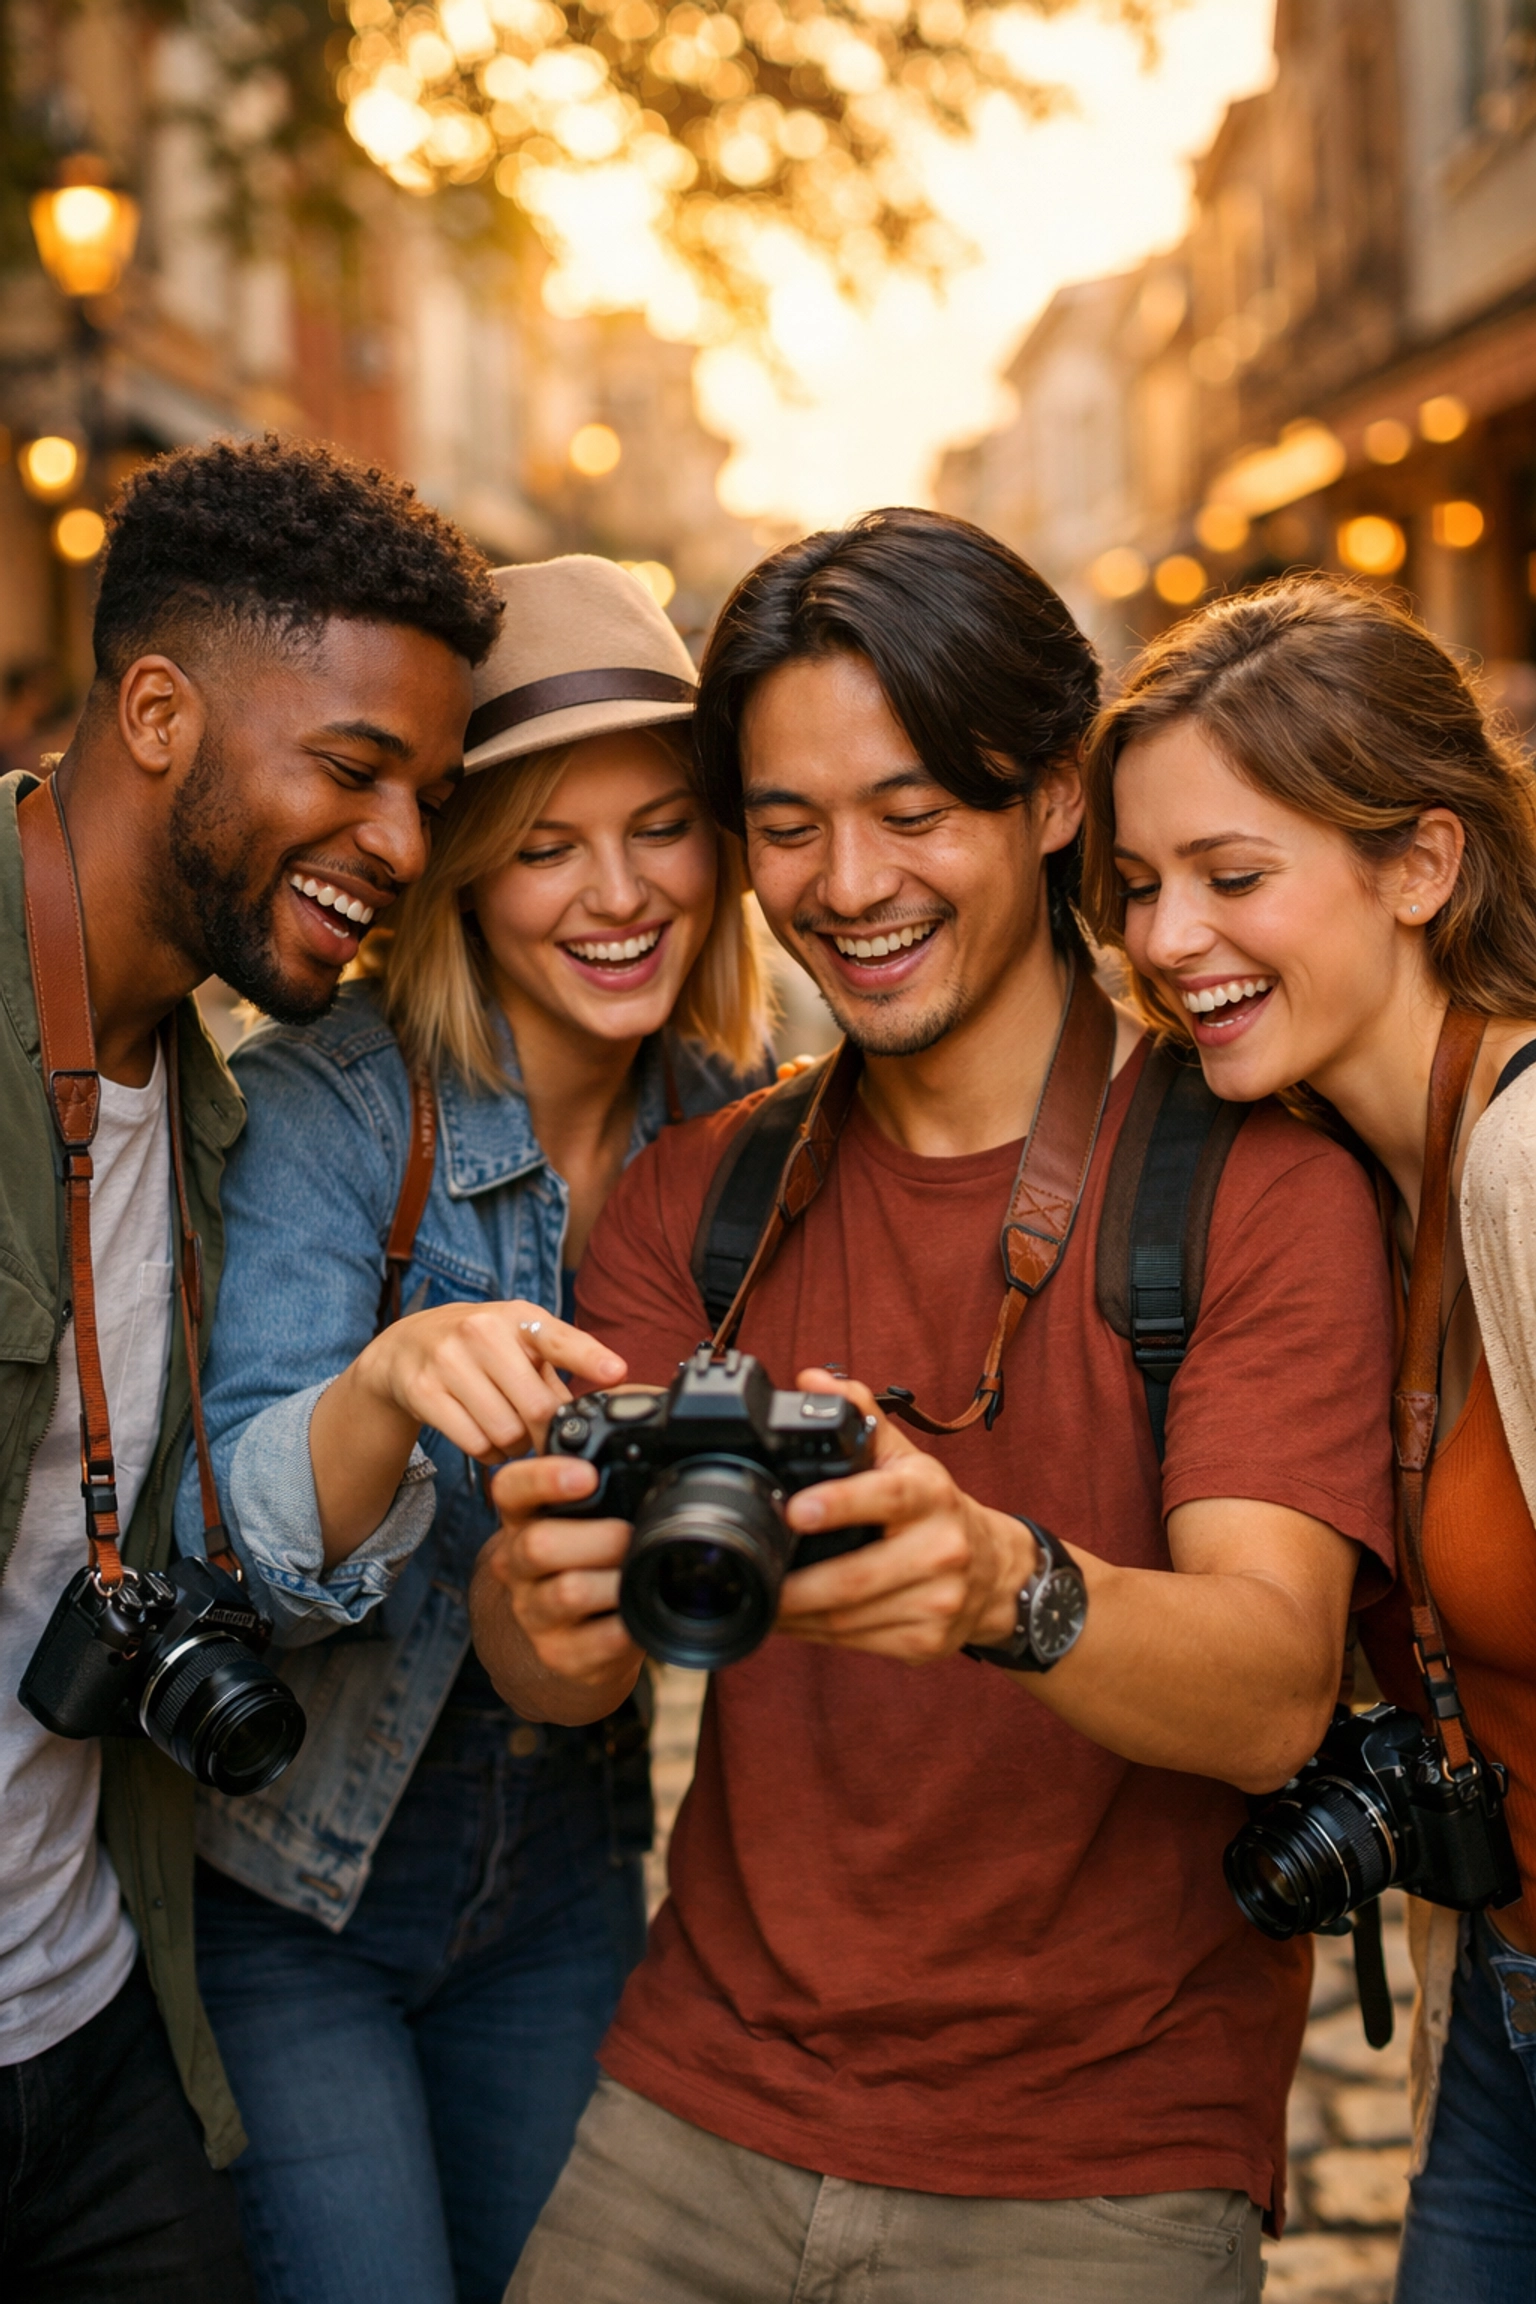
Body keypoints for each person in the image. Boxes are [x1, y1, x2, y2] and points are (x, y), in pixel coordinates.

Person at [465, 508, 1400, 2304]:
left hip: (1101, 2166)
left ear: (1056, 796)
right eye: (790, 825)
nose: (848, 882)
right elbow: (559, 1673)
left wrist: (1001, 1587)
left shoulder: (1255, 1186)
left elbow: (1280, 1692)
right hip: (695, 2106)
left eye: (913, 812)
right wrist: (541, 1599)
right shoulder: (693, 1200)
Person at [184, 553, 775, 2304]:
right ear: (461, 876)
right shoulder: (332, 1107)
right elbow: (225, 1538)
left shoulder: (742, 1124)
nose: (616, 895)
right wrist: (382, 1388)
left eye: (661, 829)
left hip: (571, 1875)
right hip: (296, 1892)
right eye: (542, 846)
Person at [0, 433, 500, 2302]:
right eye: (355, 769)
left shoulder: (213, 1111)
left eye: (431, 794)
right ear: (154, 710)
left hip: (101, 2025)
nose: (401, 847)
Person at [1078, 572, 1536, 2304]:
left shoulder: (1523, 1163)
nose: (1169, 938)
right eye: (1138, 887)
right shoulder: (1365, 1180)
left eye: (1233, 876)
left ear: (1422, 866)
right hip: (1499, 2003)